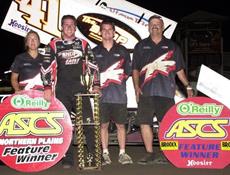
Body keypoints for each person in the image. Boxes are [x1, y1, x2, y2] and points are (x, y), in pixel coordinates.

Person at [132, 15, 193, 165]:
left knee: (165, 124)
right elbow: (135, 69)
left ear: (162, 26)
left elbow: (179, 70)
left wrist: (188, 86)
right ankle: (149, 153)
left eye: (157, 24)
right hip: (146, 92)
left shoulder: (172, 46)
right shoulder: (141, 45)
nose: (155, 26)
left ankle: (166, 153)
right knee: (145, 123)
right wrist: (136, 86)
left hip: (166, 92)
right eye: (152, 24)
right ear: (148, 27)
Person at [41, 15, 100, 168]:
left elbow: (93, 65)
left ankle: (94, 156)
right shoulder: (54, 44)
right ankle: (67, 158)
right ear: (61, 27)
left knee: (88, 123)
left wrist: (96, 84)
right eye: (65, 24)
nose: (68, 27)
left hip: (81, 89)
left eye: (71, 25)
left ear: (75, 27)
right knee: (65, 125)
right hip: (62, 89)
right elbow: (45, 66)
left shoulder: (83, 43)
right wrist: (47, 87)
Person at [93, 20, 133, 165]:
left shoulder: (122, 51)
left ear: (114, 32)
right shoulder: (94, 51)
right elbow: (90, 73)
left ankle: (122, 153)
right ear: (100, 32)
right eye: (104, 29)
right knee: (102, 125)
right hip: (101, 96)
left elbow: (127, 73)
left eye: (110, 30)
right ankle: (105, 153)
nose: (107, 32)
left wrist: (114, 82)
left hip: (119, 96)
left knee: (121, 125)